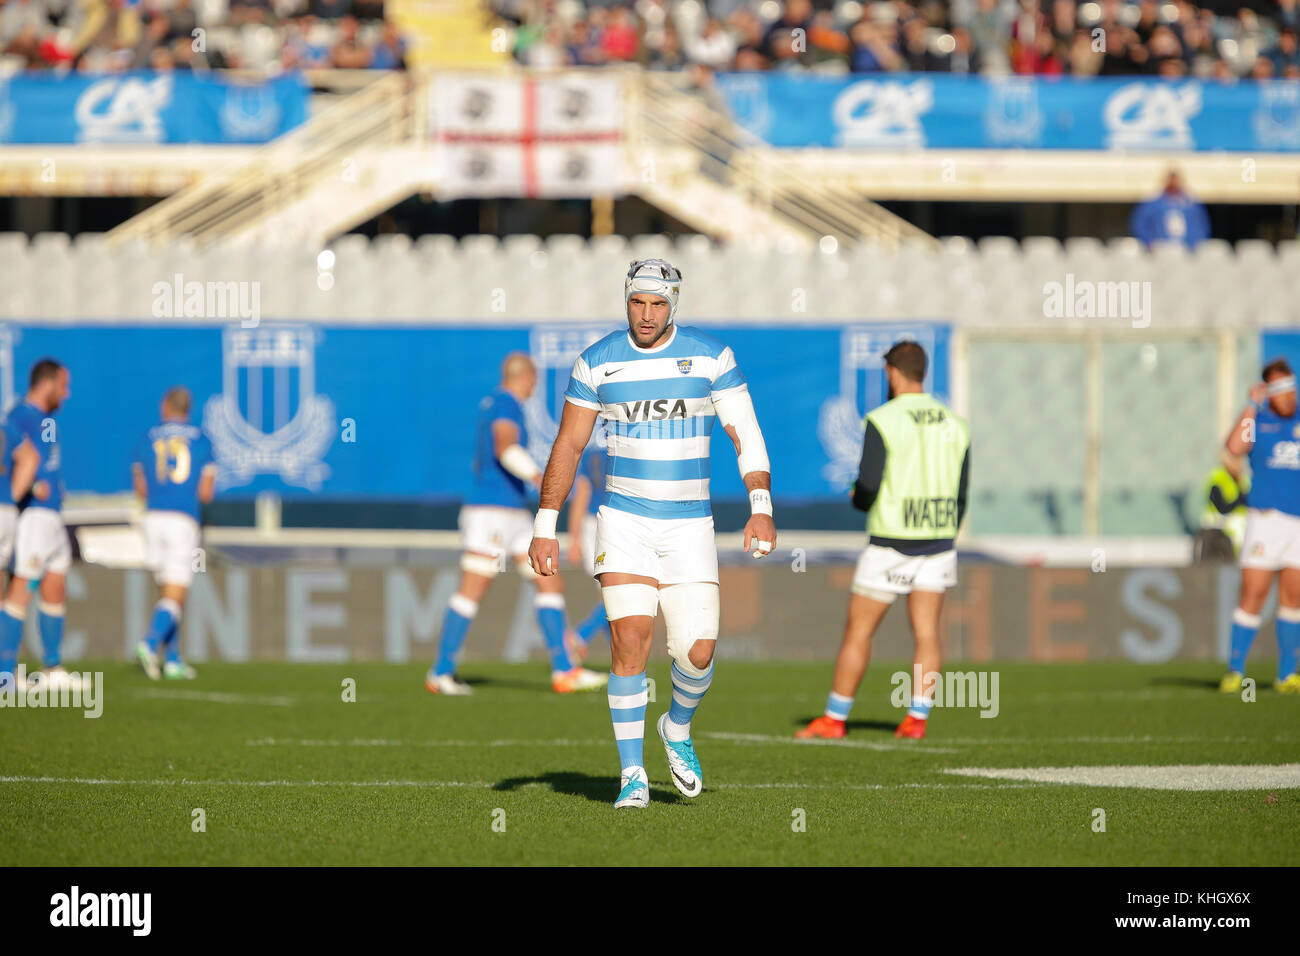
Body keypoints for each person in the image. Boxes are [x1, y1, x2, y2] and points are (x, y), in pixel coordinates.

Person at [528, 258, 777, 809]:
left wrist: (760, 505)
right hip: (624, 521)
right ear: (626, 300)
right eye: (637, 302)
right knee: (630, 640)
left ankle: (678, 727)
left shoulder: (712, 357)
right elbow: (568, 445)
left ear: (674, 305)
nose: (646, 314)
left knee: (699, 654)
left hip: (691, 525)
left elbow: (747, 432)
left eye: (658, 304)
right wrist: (545, 523)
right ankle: (632, 775)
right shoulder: (597, 363)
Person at [797, 340, 970, 741]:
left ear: (891, 372)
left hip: (891, 542)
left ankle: (835, 719)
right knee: (927, 633)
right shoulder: (955, 422)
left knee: (859, 632)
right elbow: (963, 491)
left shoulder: (883, 419)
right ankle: (916, 720)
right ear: (922, 372)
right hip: (939, 541)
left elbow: (869, 485)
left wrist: (858, 498)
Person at [427, 353, 605, 696]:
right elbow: (505, 448)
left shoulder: (499, 404)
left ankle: (564, 670)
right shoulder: (505, 404)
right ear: (525, 377)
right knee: (474, 588)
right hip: (491, 512)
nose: (534, 387)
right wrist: (536, 474)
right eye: (534, 381)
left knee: (548, 580)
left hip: (513, 512)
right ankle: (442, 671)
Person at [1220, 359, 1300, 694]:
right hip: (1266, 521)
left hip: (1298, 523)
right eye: (1278, 389)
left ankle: (1287, 675)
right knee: (1253, 592)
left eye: (1290, 387)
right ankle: (1236, 670)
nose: (1287, 396)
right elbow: (1235, 448)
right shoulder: (1260, 420)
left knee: (1294, 597)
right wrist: (1251, 405)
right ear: (1268, 392)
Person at [132, 387, 217, 681]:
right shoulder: (203, 441)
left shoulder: (147, 438)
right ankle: (150, 642)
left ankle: (172, 660)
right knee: (177, 592)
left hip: (152, 517)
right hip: (183, 518)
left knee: (166, 591)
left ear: (165, 405)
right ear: (188, 408)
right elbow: (206, 493)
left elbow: (140, 488)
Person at [0, 359, 75, 689]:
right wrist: (24, 491)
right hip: (33, 515)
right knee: (21, 587)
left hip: (53, 514)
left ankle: (52, 668)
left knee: (56, 583)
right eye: (63, 385)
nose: (67, 394)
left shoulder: (47, 420)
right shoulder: (20, 416)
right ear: (47, 384)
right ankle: (5, 672)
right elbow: (12, 460)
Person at [565, 420, 611, 659]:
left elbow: (581, 495)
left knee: (614, 596)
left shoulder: (591, 449)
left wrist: (574, 539)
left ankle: (622, 659)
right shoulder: (625, 445)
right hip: (612, 525)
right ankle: (581, 634)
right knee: (618, 595)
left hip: (591, 526)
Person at [1131, 170, 1211, 249]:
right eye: (1171, 181)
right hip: (1161, 249)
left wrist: (1195, 243)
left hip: (1186, 250)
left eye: (1176, 181)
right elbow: (1140, 225)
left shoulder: (1191, 204)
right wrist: (1149, 242)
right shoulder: (1152, 203)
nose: (1174, 184)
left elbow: (1203, 226)